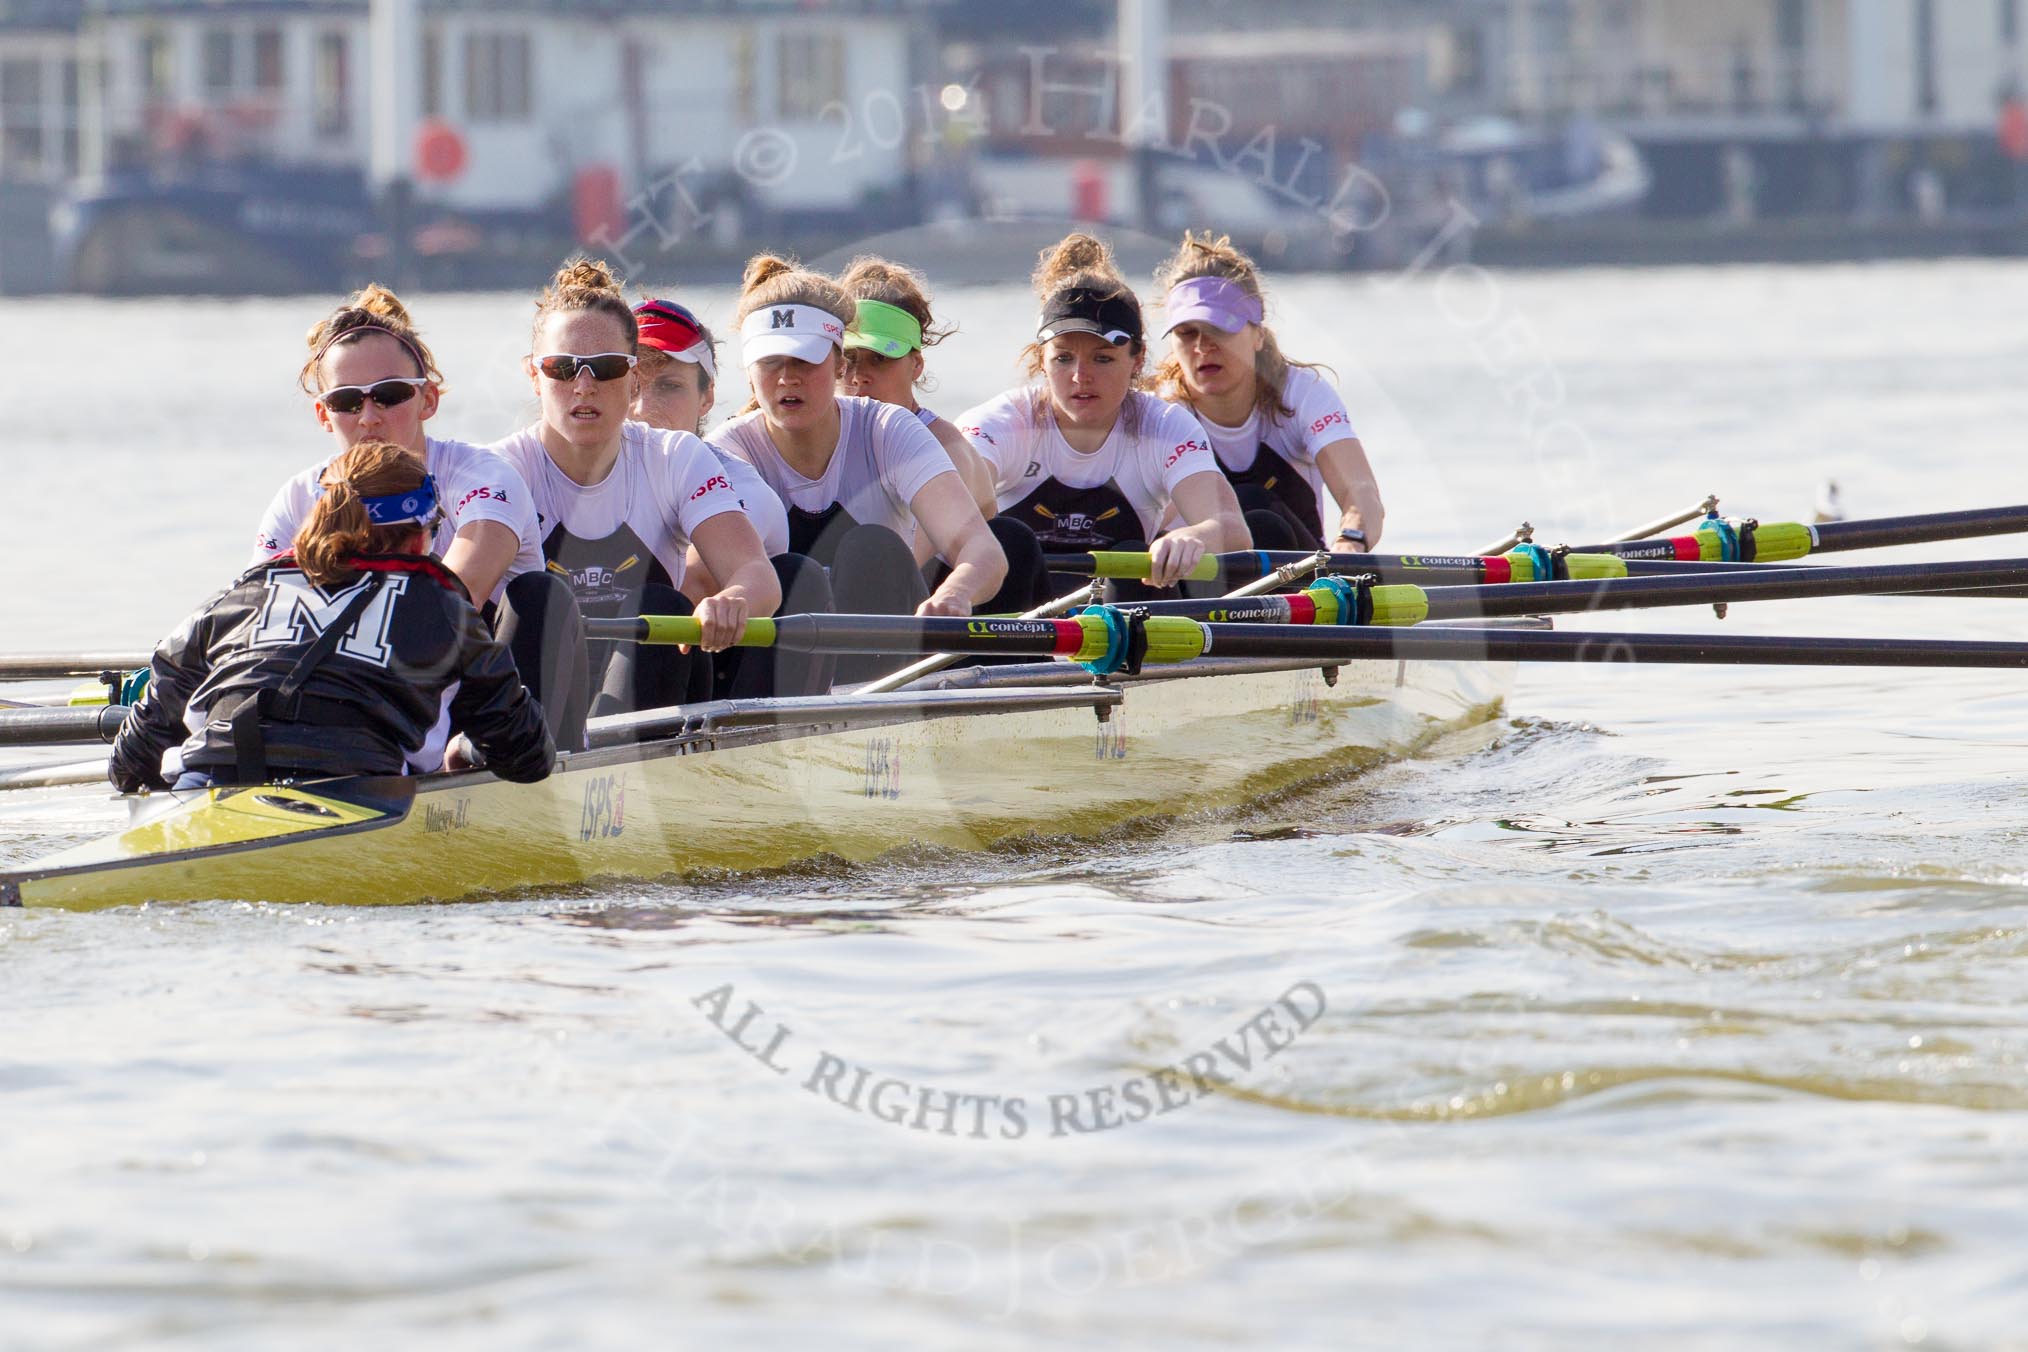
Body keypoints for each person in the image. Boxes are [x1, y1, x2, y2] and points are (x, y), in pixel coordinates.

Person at [111, 441, 554, 791]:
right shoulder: (443, 607)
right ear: (421, 536)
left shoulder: (239, 594)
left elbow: (130, 761)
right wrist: (464, 750)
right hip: (353, 792)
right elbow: (527, 757)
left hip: (205, 784)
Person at [252, 285, 586, 746]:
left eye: (388, 395)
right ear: (323, 414)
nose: (368, 416)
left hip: (486, 713)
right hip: (361, 711)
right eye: (347, 401)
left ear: (428, 400)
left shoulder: (481, 476)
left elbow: (450, 598)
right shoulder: (295, 500)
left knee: (538, 594)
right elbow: (263, 628)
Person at [487, 259, 781, 720]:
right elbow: (449, 597)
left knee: (660, 604)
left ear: (633, 379)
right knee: (535, 597)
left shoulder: (674, 457)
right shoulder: (500, 471)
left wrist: (732, 601)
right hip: (533, 712)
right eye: (563, 368)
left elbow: (756, 574)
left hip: (646, 691)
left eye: (604, 368)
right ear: (534, 375)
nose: (584, 387)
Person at [707, 255, 1019, 631]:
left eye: (804, 360)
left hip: (883, 661)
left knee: (871, 547)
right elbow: (696, 574)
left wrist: (954, 594)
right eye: (771, 362)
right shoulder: (725, 452)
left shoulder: (889, 430)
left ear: (839, 366)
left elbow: (983, 550)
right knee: (788, 572)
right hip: (782, 666)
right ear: (748, 372)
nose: (788, 378)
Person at [955, 233, 1248, 595]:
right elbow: (952, 502)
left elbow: (1232, 527)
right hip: (1018, 613)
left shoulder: (1164, 426)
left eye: (1103, 358)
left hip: (1116, 616)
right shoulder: (1004, 421)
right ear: (1041, 361)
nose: (1080, 376)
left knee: (1134, 556)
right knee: (1006, 539)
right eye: (1063, 358)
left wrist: (1193, 536)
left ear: (1137, 360)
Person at [630, 294, 832, 697]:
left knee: (795, 577)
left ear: (707, 398)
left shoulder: (740, 484)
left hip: (703, 669)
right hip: (614, 665)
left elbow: (695, 580)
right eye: (632, 387)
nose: (642, 409)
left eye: (669, 386)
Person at [1152, 232, 1384, 553]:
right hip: (1198, 584)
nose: (1203, 347)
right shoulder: (1159, 414)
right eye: (1187, 333)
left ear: (1258, 334)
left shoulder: (1301, 393)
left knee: (1254, 504)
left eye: (1218, 328)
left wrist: (1352, 540)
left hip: (1298, 580)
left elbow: (1360, 492)